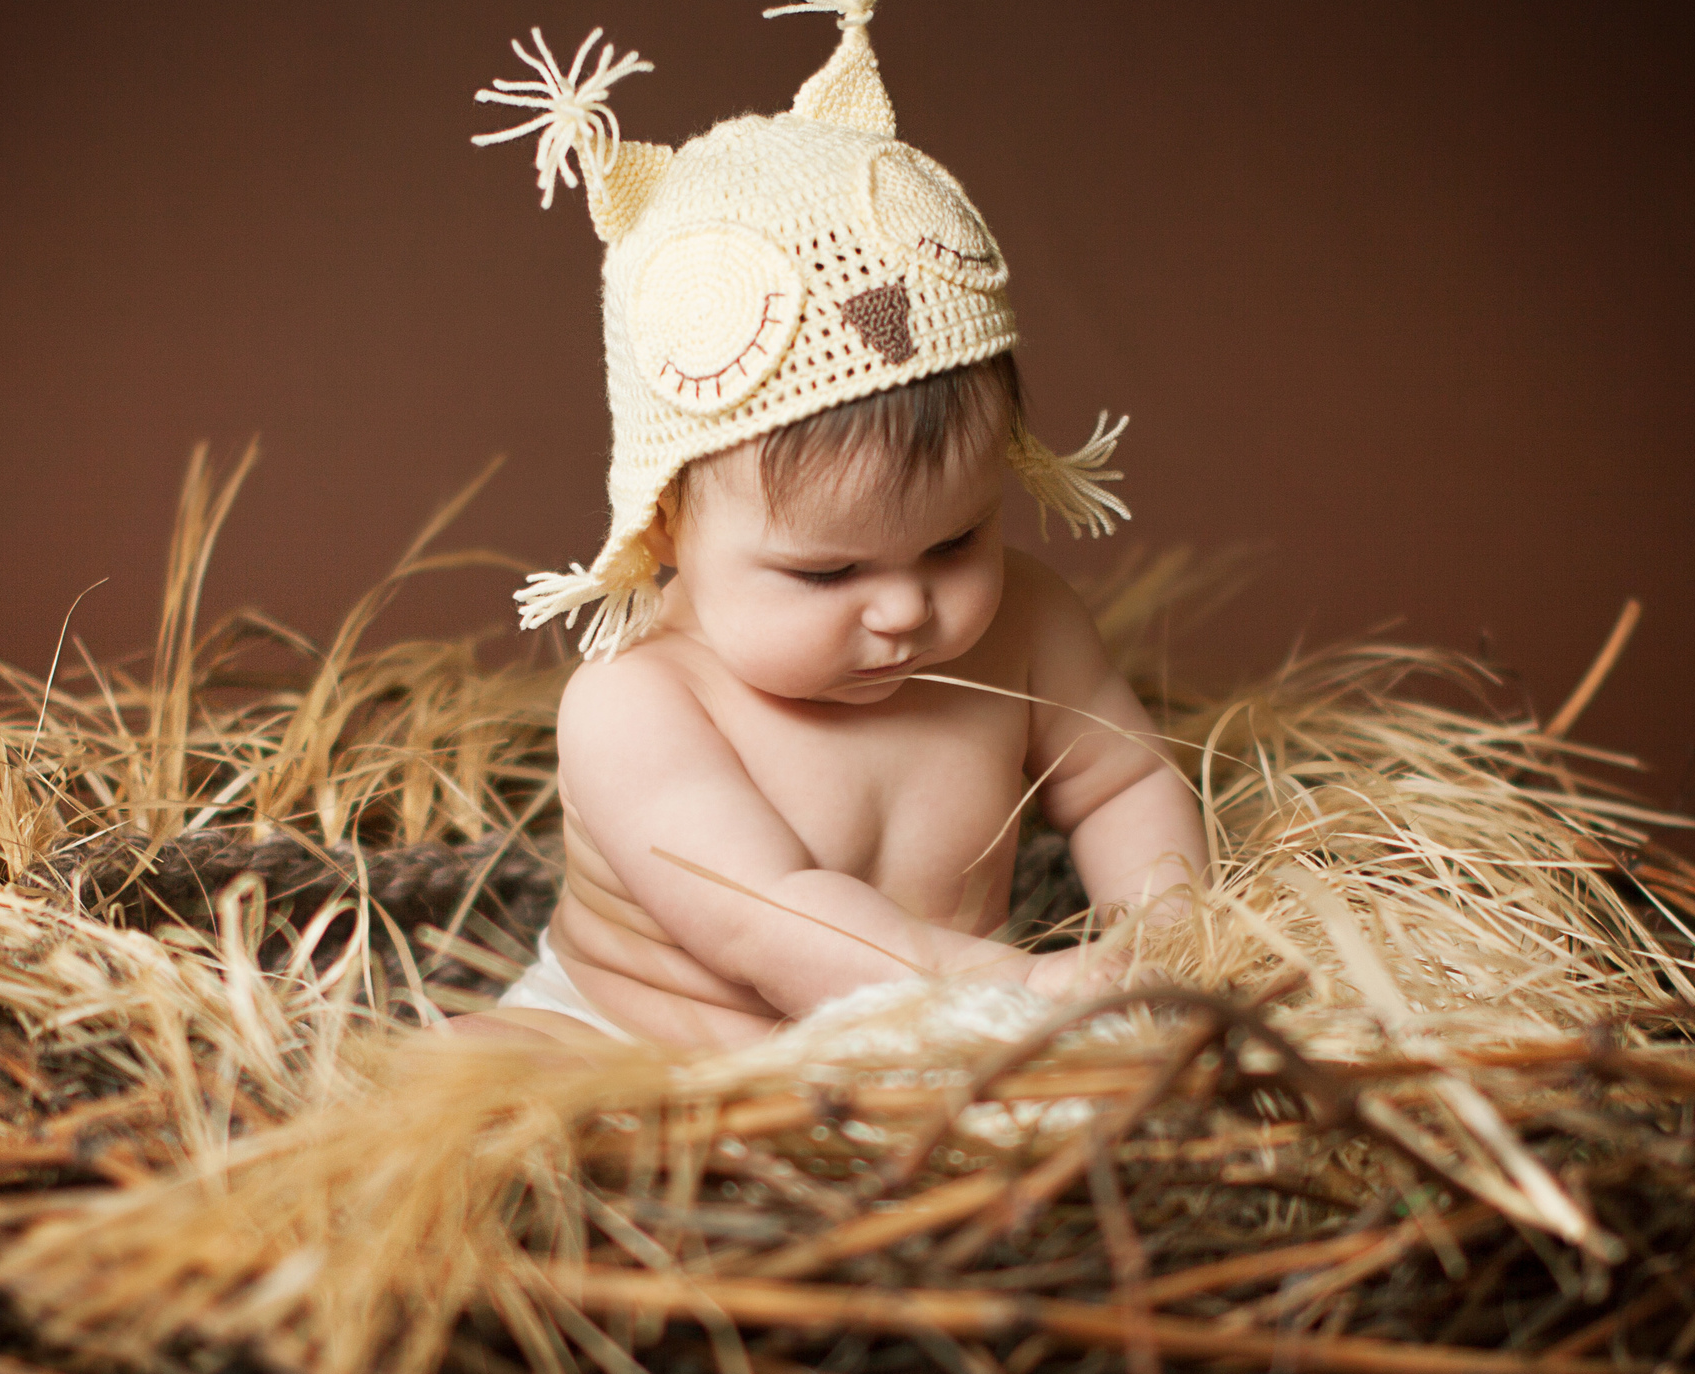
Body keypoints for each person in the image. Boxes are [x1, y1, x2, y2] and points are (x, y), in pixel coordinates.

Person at [463, 1, 1206, 1048]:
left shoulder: (1030, 627)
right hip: (633, 1041)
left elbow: (1125, 779)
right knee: (476, 1070)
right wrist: (1012, 993)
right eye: (826, 572)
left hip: (930, 1047)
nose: (906, 606)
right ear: (666, 523)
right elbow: (764, 917)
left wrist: (1165, 946)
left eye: (956, 541)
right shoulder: (635, 704)